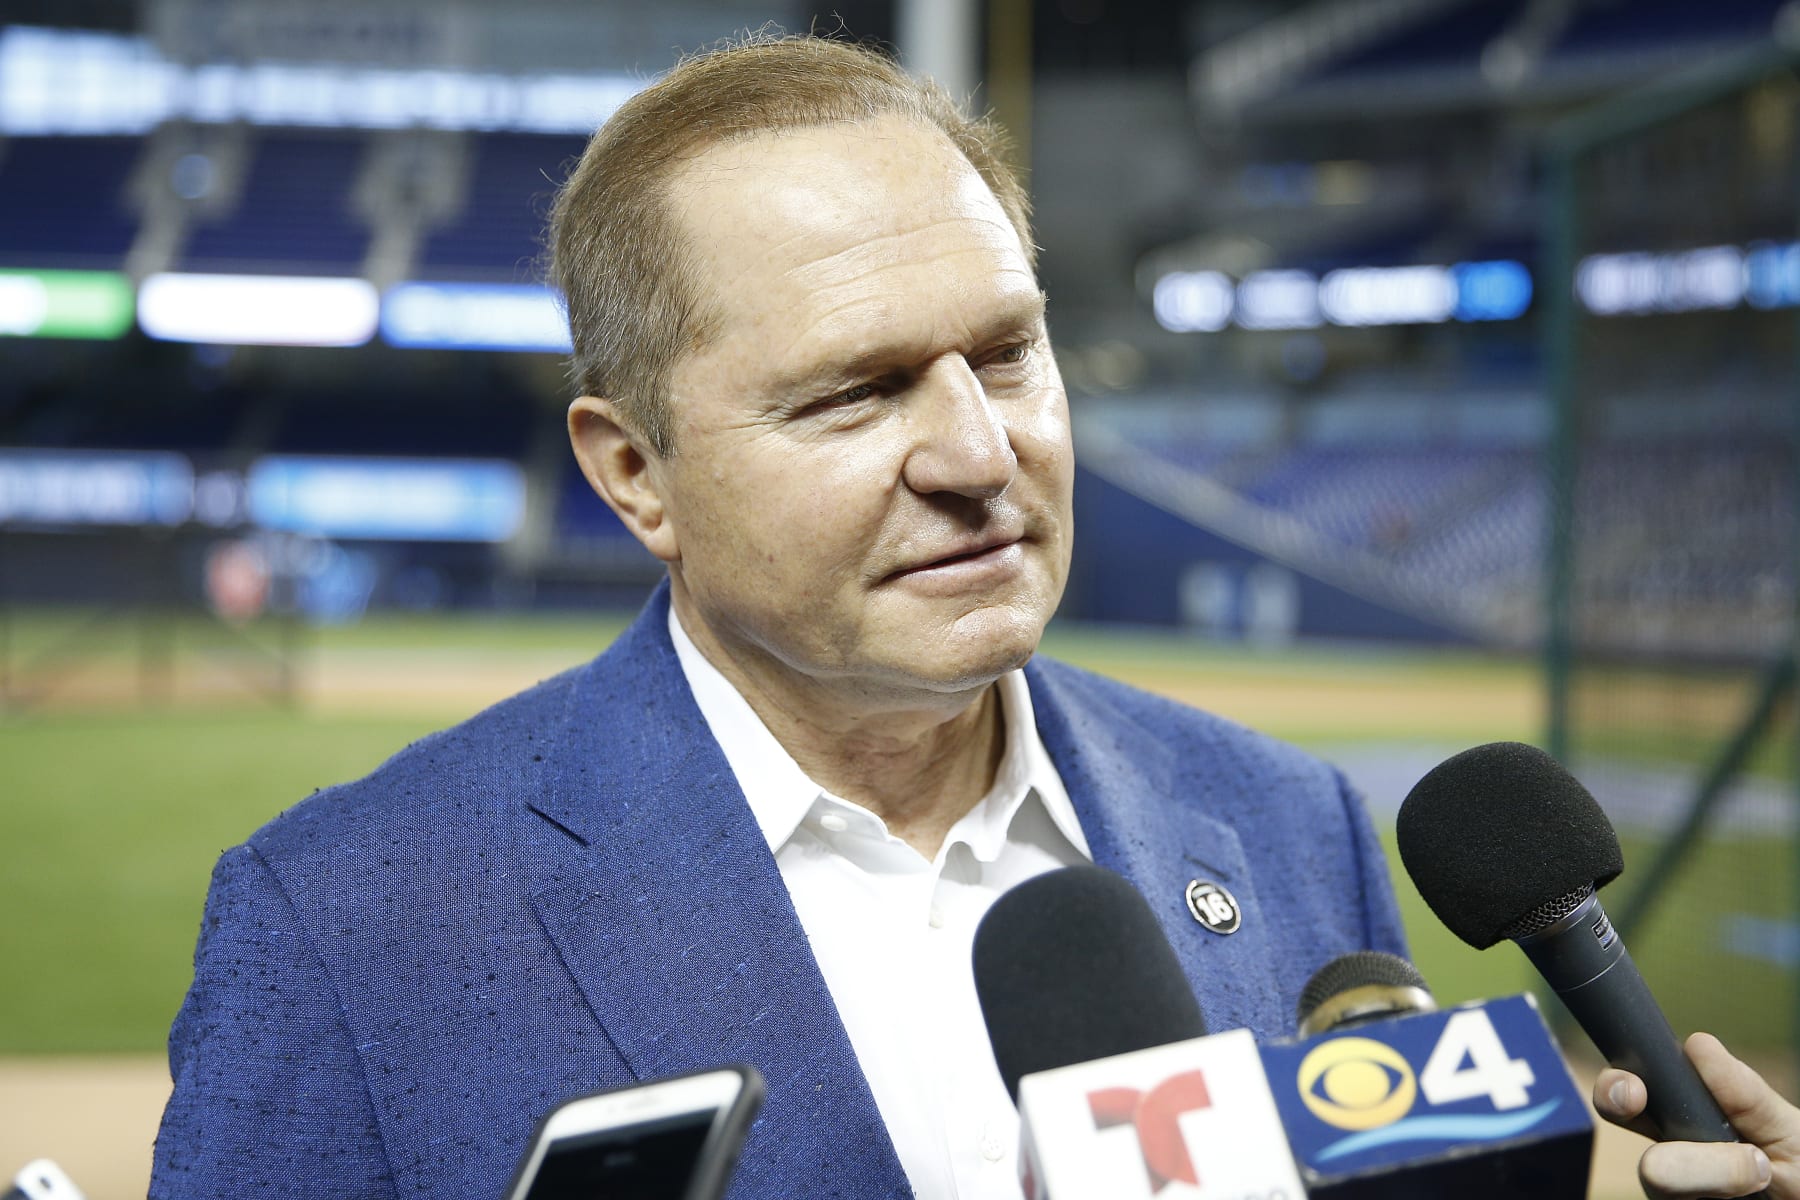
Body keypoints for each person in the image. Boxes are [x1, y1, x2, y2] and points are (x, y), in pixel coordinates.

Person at [149, 33, 1793, 1200]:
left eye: (1006, 352)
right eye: (854, 394)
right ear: (635, 472)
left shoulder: (1293, 831)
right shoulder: (343, 926)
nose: (979, 451)